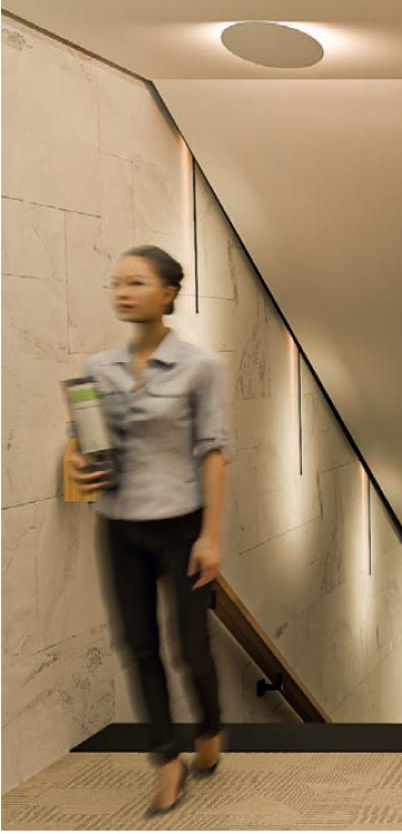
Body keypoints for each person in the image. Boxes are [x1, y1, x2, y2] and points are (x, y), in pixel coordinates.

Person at [67, 245, 227, 814]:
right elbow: (85, 444)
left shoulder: (200, 367)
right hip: (118, 526)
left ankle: (208, 725)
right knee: (137, 645)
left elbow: (214, 452)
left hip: (181, 525)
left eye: (136, 282)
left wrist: (210, 536)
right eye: (117, 283)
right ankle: (165, 760)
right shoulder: (98, 369)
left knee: (190, 647)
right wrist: (80, 464)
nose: (122, 292)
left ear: (168, 294)